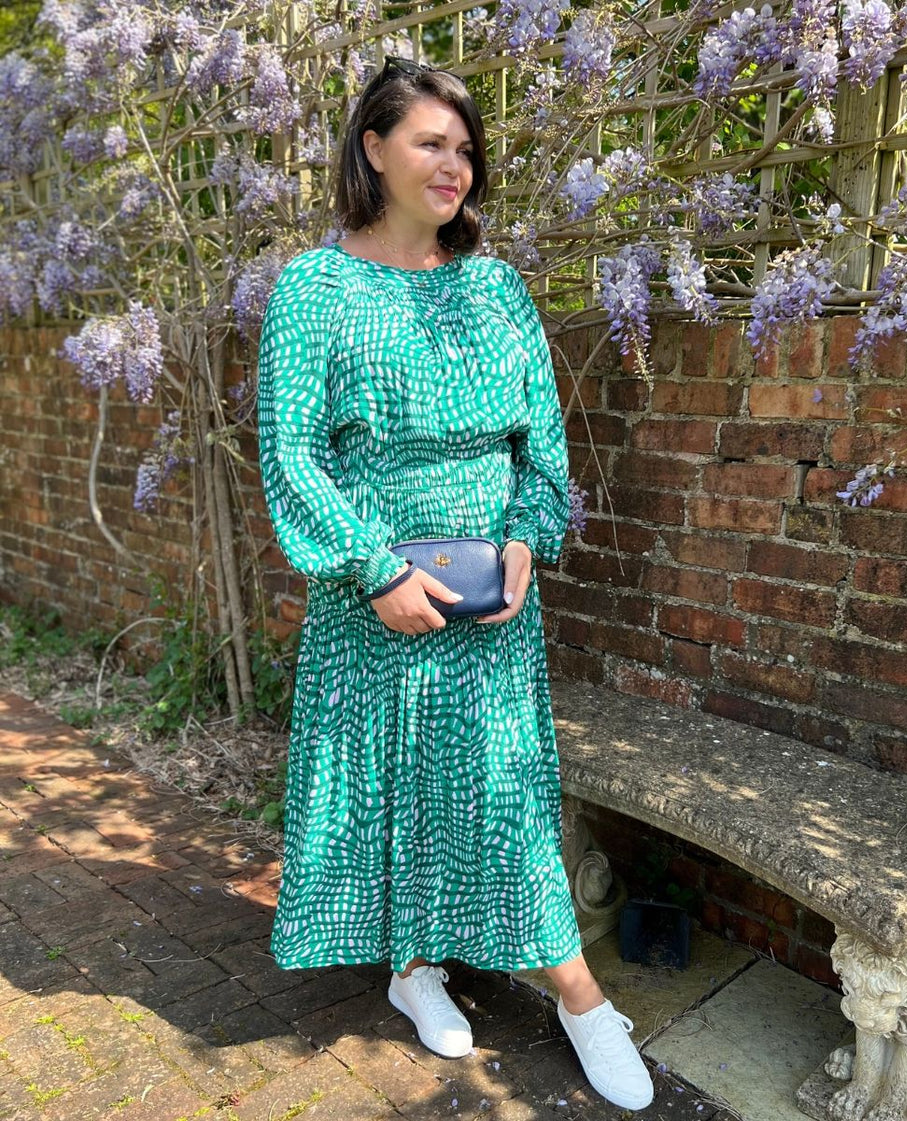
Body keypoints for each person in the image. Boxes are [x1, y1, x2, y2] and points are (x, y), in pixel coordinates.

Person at [257, 55, 654, 1112]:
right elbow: (290, 451)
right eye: (431, 142)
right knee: (386, 778)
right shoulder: (314, 287)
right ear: (373, 147)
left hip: (489, 591)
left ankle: (579, 995)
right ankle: (412, 965)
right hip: (372, 587)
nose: (454, 165)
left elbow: (543, 446)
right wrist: (372, 564)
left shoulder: (496, 285)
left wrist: (529, 534)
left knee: (502, 791)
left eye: (466, 147)